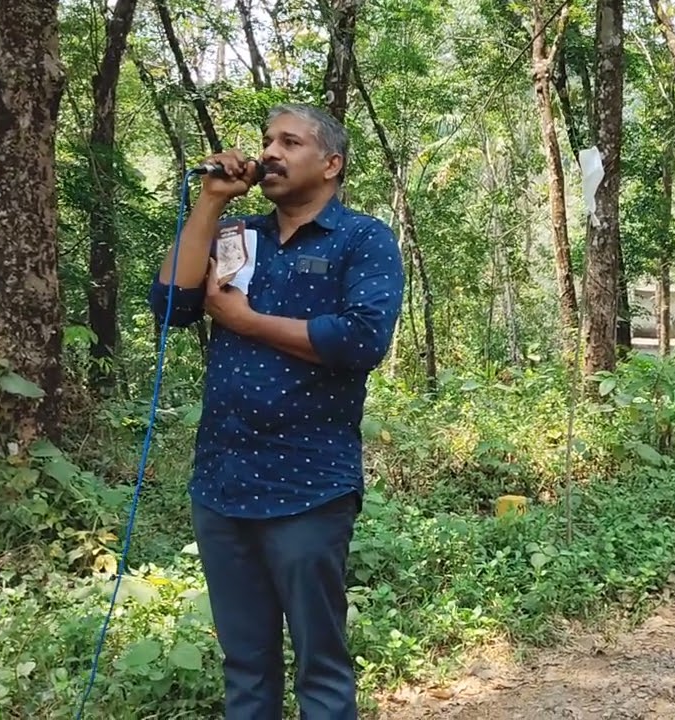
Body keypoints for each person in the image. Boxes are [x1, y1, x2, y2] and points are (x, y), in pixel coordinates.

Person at [149, 102, 405, 719]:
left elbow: (360, 339)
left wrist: (247, 322)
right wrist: (210, 203)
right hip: (222, 484)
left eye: (290, 141)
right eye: (268, 140)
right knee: (244, 664)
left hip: (310, 486)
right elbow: (171, 306)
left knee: (319, 665)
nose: (271, 151)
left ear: (331, 164)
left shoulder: (362, 239)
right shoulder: (241, 235)